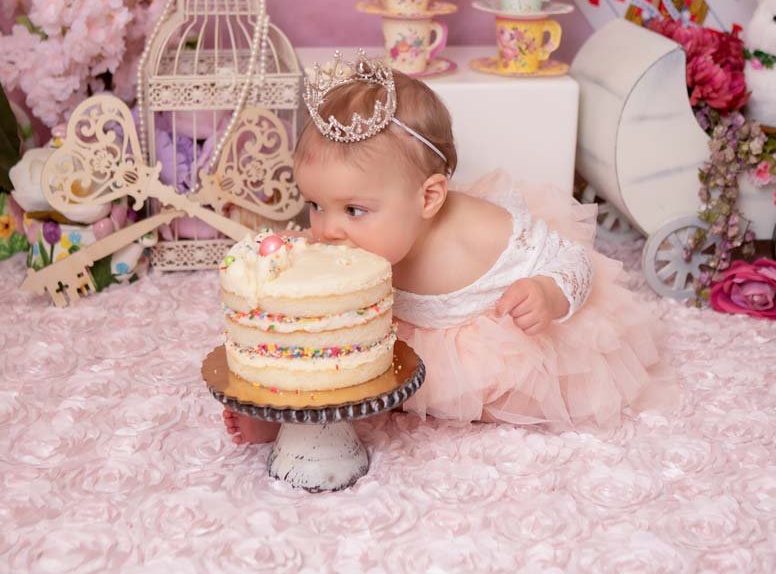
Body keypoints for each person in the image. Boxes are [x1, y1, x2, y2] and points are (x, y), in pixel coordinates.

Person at [223, 56, 674, 444]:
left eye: (354, 210)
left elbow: (573, 259)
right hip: (385, 340)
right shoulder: (340, 244)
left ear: (429, 198)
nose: (328, 230)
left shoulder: (481, 232)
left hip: (483, 342)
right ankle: (282, 422)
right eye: (316, 205)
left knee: (507, 396)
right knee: (322, 356)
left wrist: (548, 292)